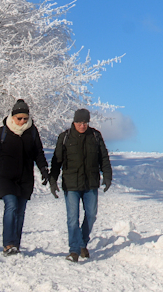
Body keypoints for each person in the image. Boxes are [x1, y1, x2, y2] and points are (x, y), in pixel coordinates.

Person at [0, 99, 50, 255]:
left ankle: (16, 244)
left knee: (20, 212)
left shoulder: (33, 133)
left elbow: (38, 153)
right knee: (11, 206)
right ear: (13, 117)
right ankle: (8, 244)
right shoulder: (3, 132)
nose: (22, 121)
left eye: (25, 119)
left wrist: (44, 170)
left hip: (25, 179)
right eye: (19, 118)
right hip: (5, 178)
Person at [49, 108, 112, 263]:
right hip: (71, 184)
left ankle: (83, 242)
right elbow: (56, 161)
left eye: (85, 123)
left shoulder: (95, 136)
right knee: (72, 218)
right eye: (79, 122)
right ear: (74, 122)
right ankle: (74, 250)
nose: (82, 126)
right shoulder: (65, 137)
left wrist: (107, 175)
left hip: (90, 183)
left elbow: (103, 157)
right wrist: (52, 180)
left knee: (91, 215)